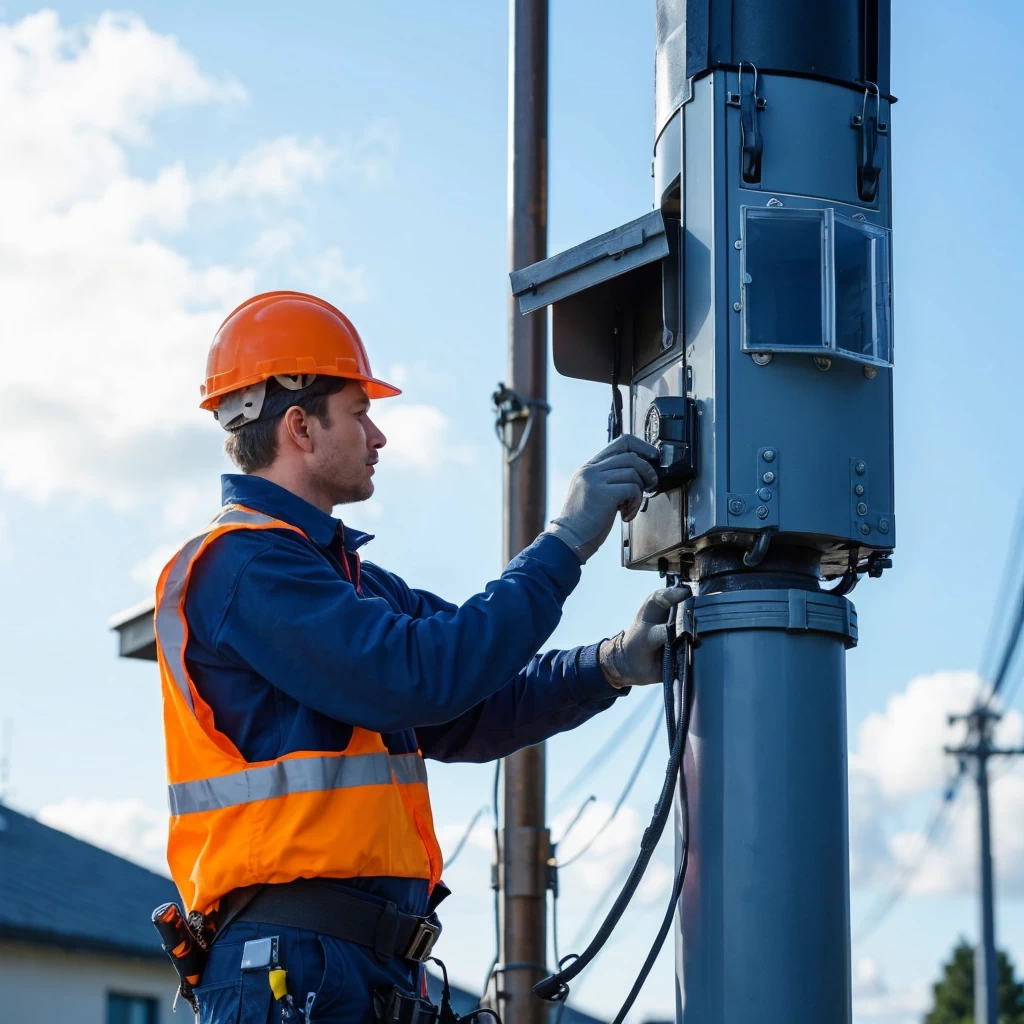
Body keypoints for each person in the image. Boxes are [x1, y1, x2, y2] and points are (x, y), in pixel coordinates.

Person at [153, 290, 685, 1024]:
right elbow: (423, 676)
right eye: (360, 413)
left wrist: (610, 665)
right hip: (293, 963)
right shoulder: (241, 567)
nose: (379, 437)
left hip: (348, 969)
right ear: (301, 429)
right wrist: (566, 539)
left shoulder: (348, 581)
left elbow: (471, 700)